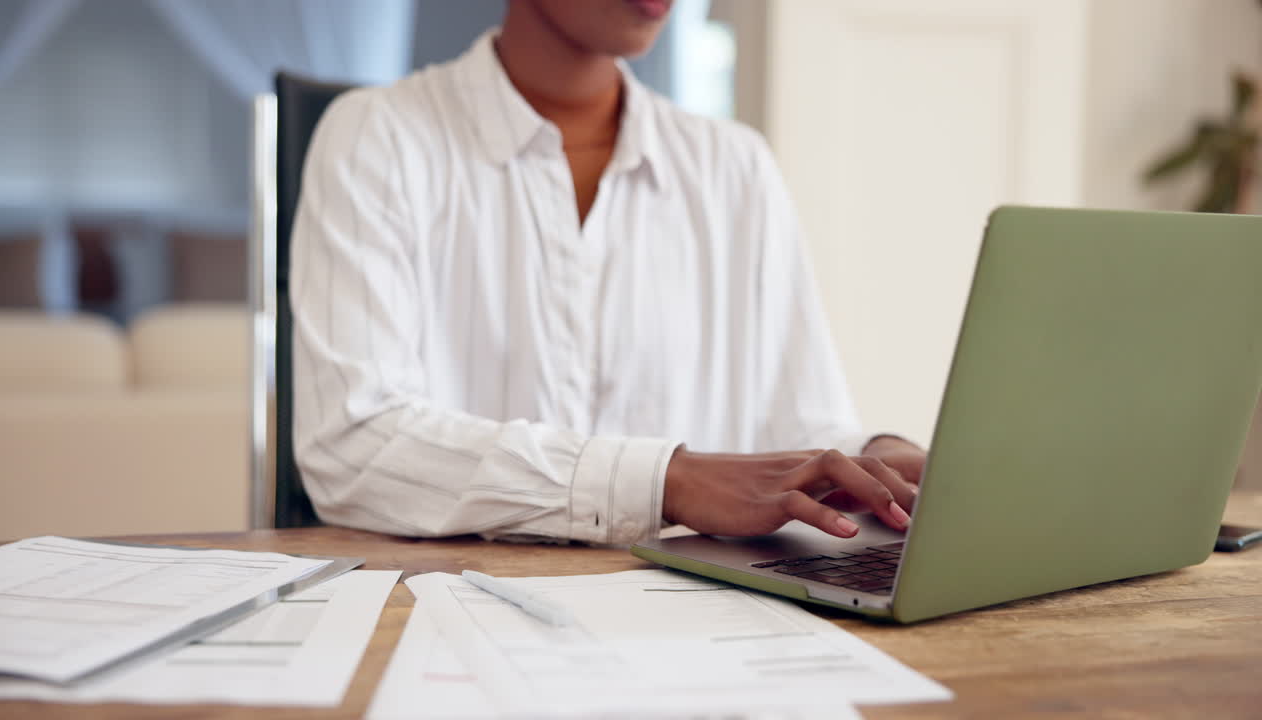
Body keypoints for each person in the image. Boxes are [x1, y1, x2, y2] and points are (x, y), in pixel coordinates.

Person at [290, 0, 926, 545]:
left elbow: (803, 426)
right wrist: (663, 481)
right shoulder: (375, 138)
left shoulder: (737, 168)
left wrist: (874, 458)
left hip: (701, 625)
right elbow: (353, 446)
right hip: (450, 620)